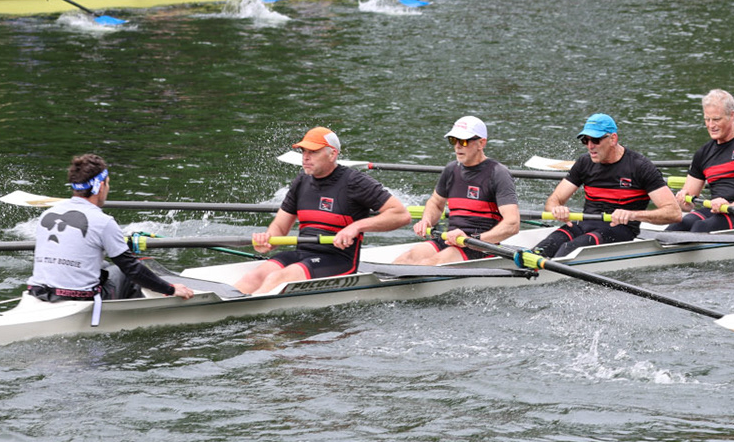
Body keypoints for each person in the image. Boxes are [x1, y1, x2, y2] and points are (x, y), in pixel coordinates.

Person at [230, 127, 410, 294]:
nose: (305, 157)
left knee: (278, 278)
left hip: (337, 259)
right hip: (303, 254)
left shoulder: (355, 182)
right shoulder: (301, 181)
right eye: (304, 151)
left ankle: (250, 313)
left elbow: (401, 214)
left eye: (313, 152)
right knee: (255, 276)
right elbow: (279, 228)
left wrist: (356, 227)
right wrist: (267, 240)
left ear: (332, 154)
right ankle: (229, 305)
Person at [26, 153, 195, 311]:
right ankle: (137, 317)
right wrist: (170, 289)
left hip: (38, 291)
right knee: (131, 270)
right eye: (107, 183)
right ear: (100, 186)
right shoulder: (103, 221)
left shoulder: (47, 214)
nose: (108, 187)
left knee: (105, 265)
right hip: (80, 299)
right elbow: (132, 270)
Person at [532, 114, 681, 257]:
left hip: (619, 229)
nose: (590, 146)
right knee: (540, 250)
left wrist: (633, 215)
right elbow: (554, 200)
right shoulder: (584, 163)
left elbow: (674, 213)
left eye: (595, 140)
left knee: (568, 250)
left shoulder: (640, 167)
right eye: (585, 140)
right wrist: (556, 209)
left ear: (613, 139)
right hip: (584, 224)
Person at [395, 115, 522, 265]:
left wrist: (473, 240)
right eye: (453, 140)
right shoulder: (451, 170)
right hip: (450, 238)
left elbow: (512, 224)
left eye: (463, 141)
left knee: (435, 262)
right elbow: (436, 203)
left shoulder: (498, 173)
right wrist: (426, 220)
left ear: (481, 143)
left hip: (482, 245)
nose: (457, 146)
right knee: (406, 258)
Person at [665, 90, 734, 233]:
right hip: (718, 209)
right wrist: (683, 200)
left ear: (732, 115)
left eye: (716, 119)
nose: (711, 125)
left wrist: (731, 206)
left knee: (701, 227)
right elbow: (688, 205)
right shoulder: (703, 153)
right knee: (679, 225)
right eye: (707, 119)